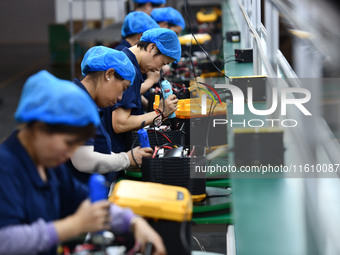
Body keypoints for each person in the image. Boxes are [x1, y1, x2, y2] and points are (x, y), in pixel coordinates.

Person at [0, 70, 166, 255]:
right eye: (69, 143)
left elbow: (86, 202)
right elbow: (5, 240)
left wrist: (133, 222)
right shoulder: (6, 168)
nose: (71, 153)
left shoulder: (49, 167)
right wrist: (74, 225)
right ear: (39, 129)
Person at [69, 46, 153, 184]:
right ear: (109, 74)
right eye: (123, 88)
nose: (120, 98)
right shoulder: (76, 102)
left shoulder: (87, 103)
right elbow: (83, 160)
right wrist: (126, 159)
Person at [102, 28, 181, 154]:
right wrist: (160, 112)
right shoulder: (128, 71)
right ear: (152, 48)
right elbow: (119, 123)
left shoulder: (126, 61)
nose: (158, 70)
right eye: (162, 63)